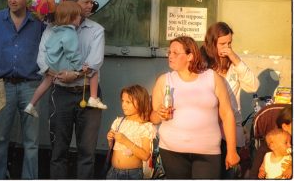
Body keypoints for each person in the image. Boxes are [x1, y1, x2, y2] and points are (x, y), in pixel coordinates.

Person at [37, 0, 105, 178]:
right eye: (86, 2)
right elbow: (41, 58)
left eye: (92, 2)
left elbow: (95, 61)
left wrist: (74, 74)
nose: (91, 6)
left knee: (87, 151)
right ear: (72, 4)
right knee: (58, 150)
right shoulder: (52, 29)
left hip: (87, 93)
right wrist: (58, 74)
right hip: (61, 94)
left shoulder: (96, 30)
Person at [150, 36, 240, 179]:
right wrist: (159, 114)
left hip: (208, 151)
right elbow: (153, 118)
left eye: (175, 53)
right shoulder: (164, 80)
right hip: (172, 150)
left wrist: (231, 150)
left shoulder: (212, 77)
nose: (170, 56)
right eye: (169, 52)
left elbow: (227, 114)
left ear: (190, 56)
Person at [0, 0, 45, 179]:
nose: (12, 0)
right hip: (3, 86)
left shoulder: (39, 21)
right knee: (0, 138)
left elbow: (47, 51)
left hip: (31, 86)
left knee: (31, 141)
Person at [25, 1, 106, 117]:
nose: (80, 17)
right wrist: (79, 67)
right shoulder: (70, 33)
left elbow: (49, 46)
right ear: (72, 18)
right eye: (78, 15)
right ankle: (93, 98)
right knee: (93, 69)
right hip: (64, 67)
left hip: (52, 64)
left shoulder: (56, 30)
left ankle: (31, 105)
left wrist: (50, 64)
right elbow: (71, 52)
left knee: (46, 82)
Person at [200, 21, 259, 178]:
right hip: (207, 130)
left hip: (231, 132)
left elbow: (253, 86)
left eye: (229, 43)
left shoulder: (234, 63)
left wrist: (235, 59)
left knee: (228, 175)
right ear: (212, 43)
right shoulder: (201, 64)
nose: (226, 47)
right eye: (222, 43)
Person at [106, 85, 155, 179]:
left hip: (132, 175)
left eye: (128, 102)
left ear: (140, 103)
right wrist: (110, 139)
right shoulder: (118, 122)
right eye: (122, 101)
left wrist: (125, 141)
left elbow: (145, 156)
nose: (123, 105)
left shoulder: (145, 126)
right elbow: (112, 147)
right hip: (113, 172)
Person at [250, 105, 292, 178]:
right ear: (285, 127)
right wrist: (261, 172)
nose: (289, 145)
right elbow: (254, 173)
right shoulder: (269, 146)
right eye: (286, 143)